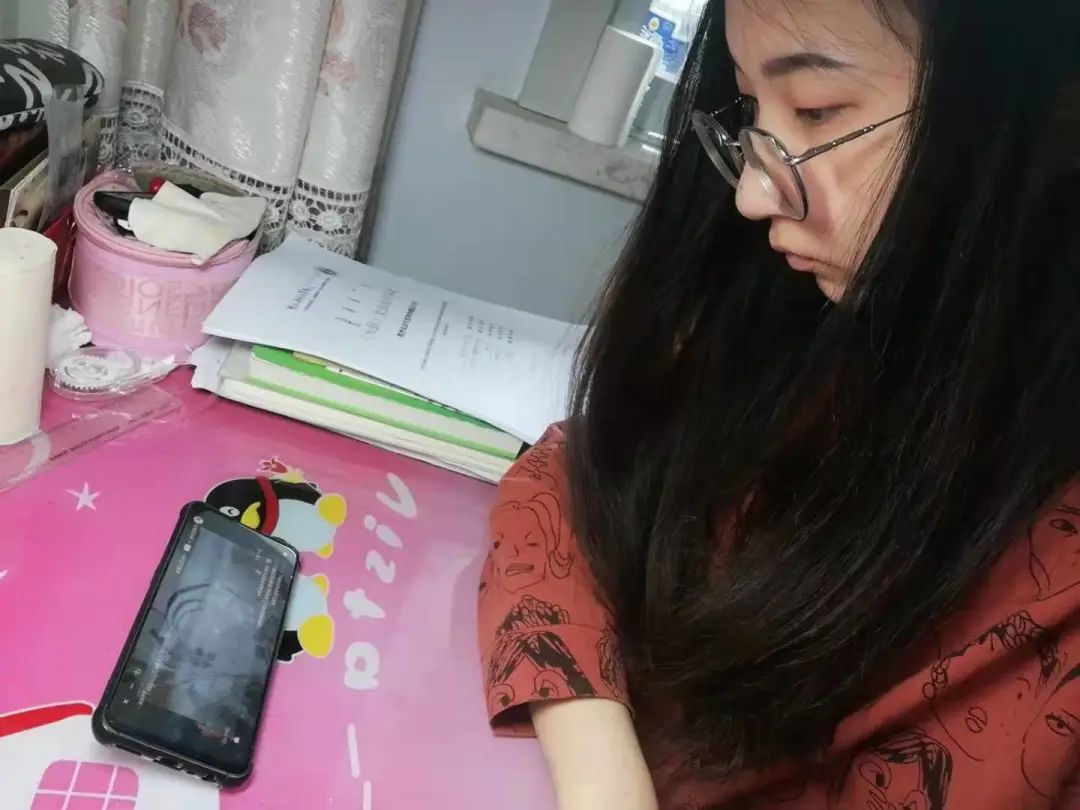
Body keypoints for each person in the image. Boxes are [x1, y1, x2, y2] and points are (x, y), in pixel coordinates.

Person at [477, 0, 1080, 807]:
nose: (753, 196)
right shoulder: (822, 337)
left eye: (817, 110)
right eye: (753, 109)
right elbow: (586, 474)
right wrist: (598, 765)